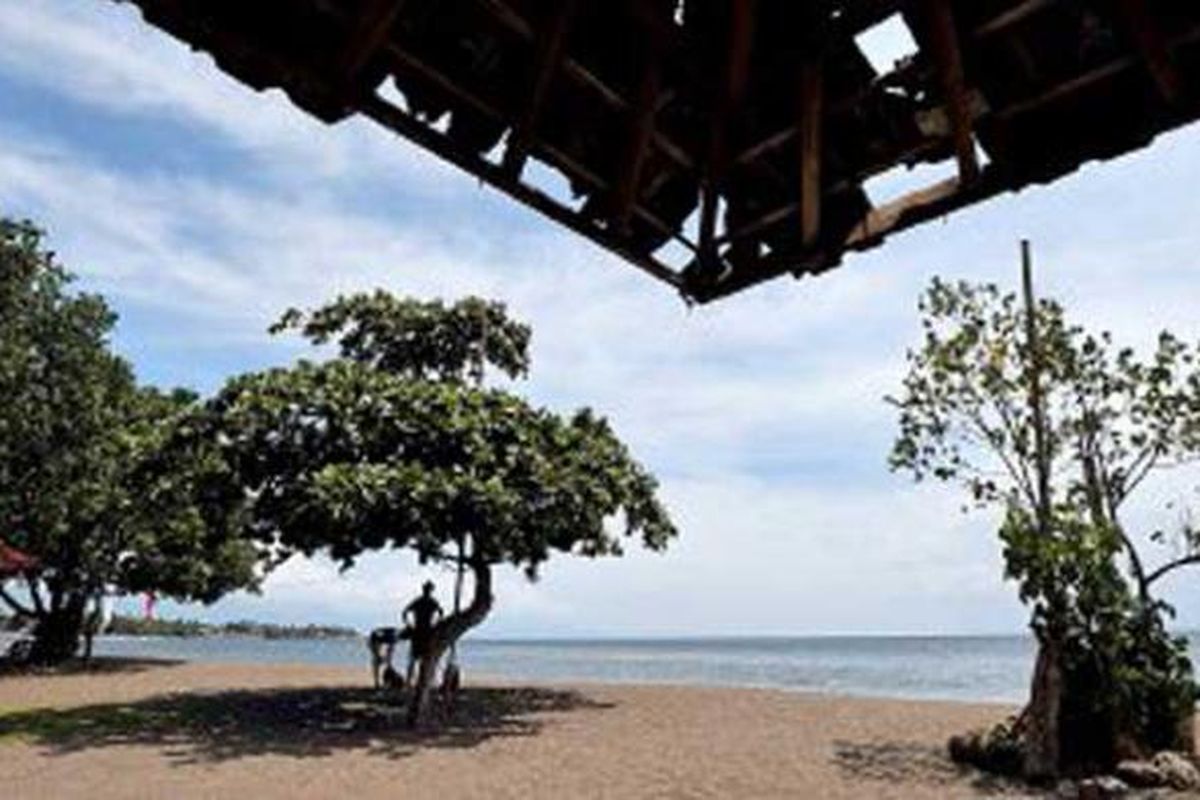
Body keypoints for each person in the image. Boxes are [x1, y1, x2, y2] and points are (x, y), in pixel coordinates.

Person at [402, 580, 443, 685]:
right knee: (421, 659)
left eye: (428, 589)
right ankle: (416, 681)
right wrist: (436, 625)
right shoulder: (430, 601)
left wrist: (408, 624)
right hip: (425, 632)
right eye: (428, 589)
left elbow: (405, 612)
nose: (428, 591)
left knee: (417, 659)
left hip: (421, 631)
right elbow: (441, 613)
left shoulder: (423, 601)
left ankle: (414, 681)